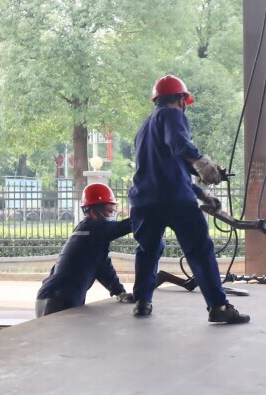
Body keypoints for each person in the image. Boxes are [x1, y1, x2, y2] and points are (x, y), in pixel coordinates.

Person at [128, 74, 250, 324]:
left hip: (143, 202)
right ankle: (218, 306)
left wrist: (202, 193)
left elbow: (168, 168)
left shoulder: (143, 129)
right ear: (182, 100)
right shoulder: (172, 115)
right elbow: (179, 143)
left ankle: (142, 302)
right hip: (175, 201)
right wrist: (202, 162)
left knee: (148, 250)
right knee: (200, 250)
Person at [35, 183, 134, 317]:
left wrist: (119, 292)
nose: (113, 216)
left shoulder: (89, 237)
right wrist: (149, 214)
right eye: (109, 211)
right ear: (93, 212)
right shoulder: (93, 229)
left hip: (51, 298)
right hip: (56, 301)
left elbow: (103, 267)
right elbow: (127, 225)